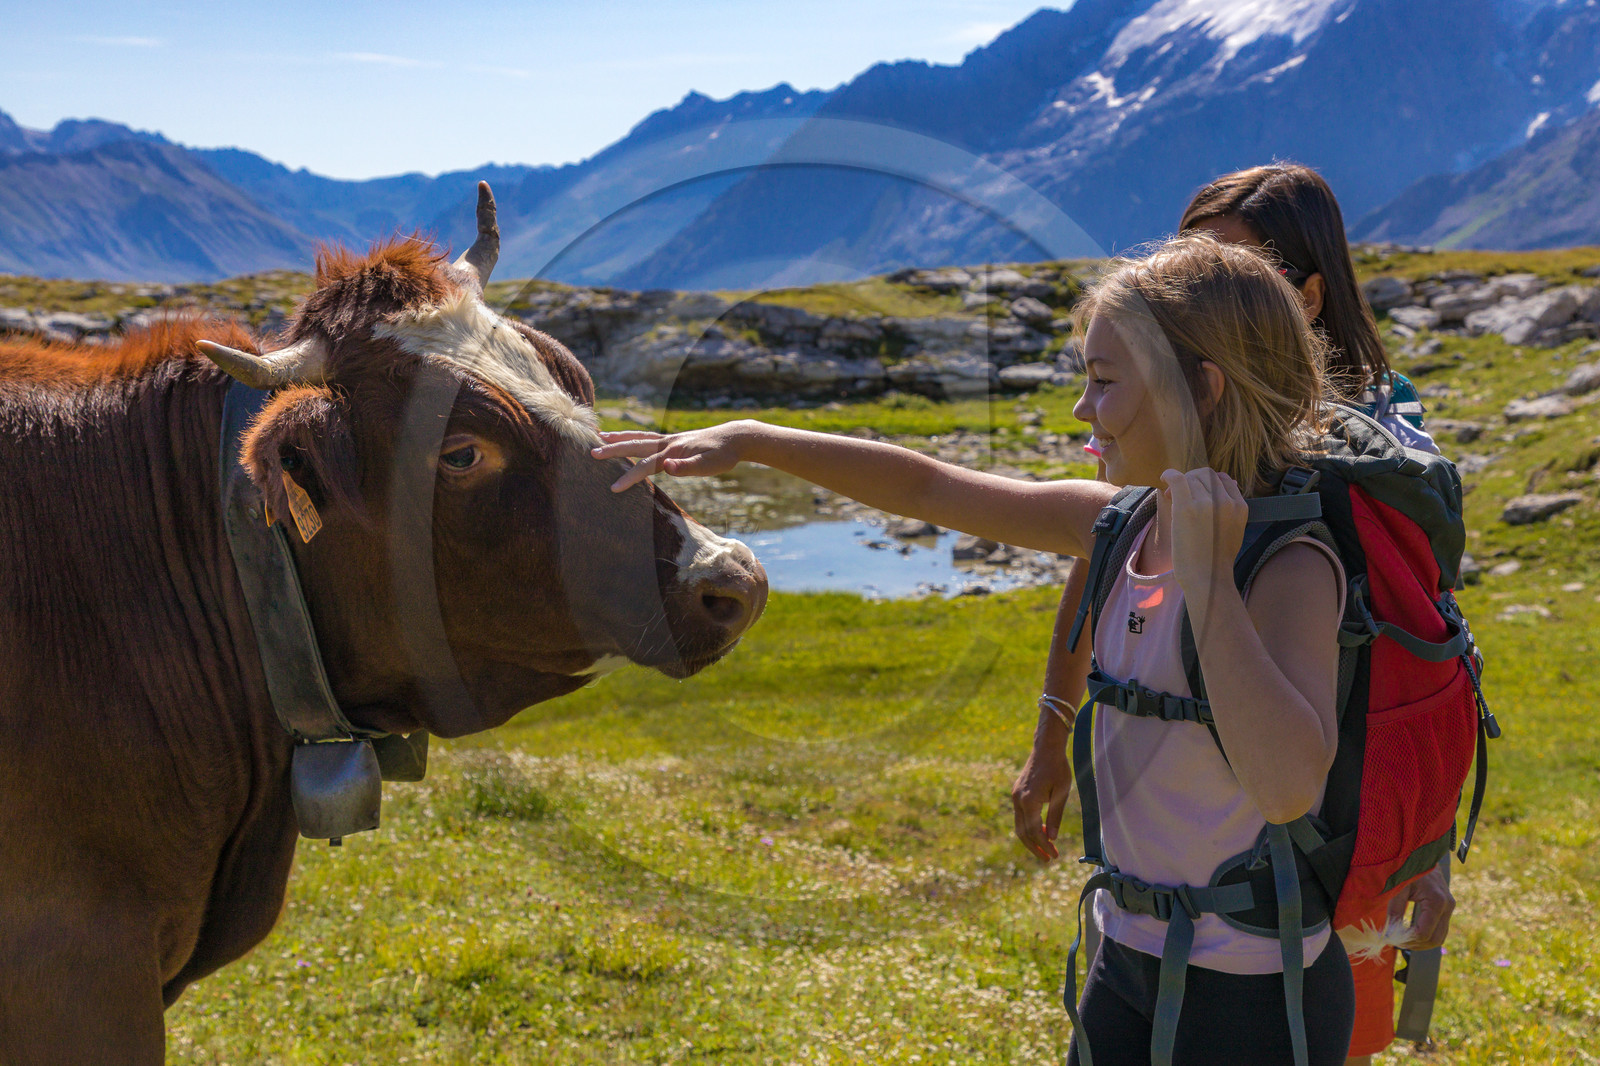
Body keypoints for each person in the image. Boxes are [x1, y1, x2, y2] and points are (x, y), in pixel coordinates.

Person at [595, 232, 1358, 1062]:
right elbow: (927, 485)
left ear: (1200, 391)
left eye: (1104, 382)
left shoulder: (1289, 566)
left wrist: (1210, 585)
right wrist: (752, 439)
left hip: (1254, 987)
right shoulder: (1118, 523)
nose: (1081, 409)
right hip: (1126, 951)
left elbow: (1286, 788)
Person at [1011, 163, 1451, 1066]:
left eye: (1238, 264)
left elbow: (1415, 641)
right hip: (1171, 903)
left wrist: (1425, 845)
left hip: (1311, 846)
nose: (1194, 285)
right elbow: (1103, 557)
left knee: (1333, 1009)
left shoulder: (1366, 449)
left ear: (1308, 294)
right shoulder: (1170, 448)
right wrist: (1054, 727)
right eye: (1184, 260)